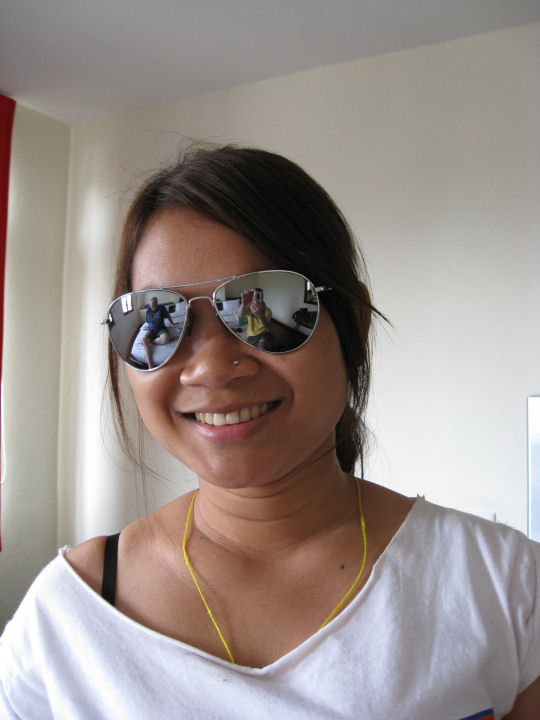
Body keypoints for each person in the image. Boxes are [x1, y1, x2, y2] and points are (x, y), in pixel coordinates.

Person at [1, 146, 539, 719]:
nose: (210, 367)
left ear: (353, 324)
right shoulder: (64, 621)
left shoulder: (505, 586)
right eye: (156, 318)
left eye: (269, 307)